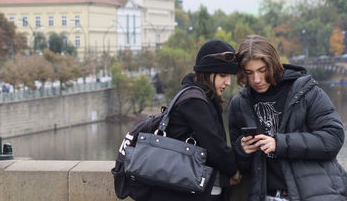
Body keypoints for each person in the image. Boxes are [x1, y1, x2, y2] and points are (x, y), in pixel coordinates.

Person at [228, 34, 347, 201]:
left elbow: (333, 138)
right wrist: (241, 151)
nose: (256, 79)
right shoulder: (239, 104)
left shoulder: (306, 92)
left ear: (273, 65)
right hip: (264, 195)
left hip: (315, 193)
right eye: (249, 72)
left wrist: (280, 143)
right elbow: (238, 163)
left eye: (262, 71)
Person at [147, 39, 241, 201]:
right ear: (207, 73)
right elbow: (215, 147)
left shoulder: (201, 97)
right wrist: (233, 170)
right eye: (223, 75)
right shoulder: (195, 101)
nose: (228, 82)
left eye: (230, 76)